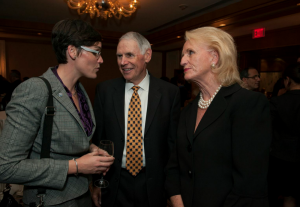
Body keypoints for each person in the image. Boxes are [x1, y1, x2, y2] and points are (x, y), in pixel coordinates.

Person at [0, 19, 114, 207]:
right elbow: (5, 167)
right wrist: (76, 166)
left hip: (83, 195)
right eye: (96, 52)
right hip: (51, 201)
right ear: (72, 51)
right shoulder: (35, 89)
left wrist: (91, 148)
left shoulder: (80, 91)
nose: (101, 59)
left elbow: (70, 136)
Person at [165, 27, 272, 207]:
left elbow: (249, 181)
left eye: (190, 53)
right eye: (183, 54)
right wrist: (178, 202)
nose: (182, 61)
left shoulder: (248, 103)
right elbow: (174, 165)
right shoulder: (188, 110)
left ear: (214, 57)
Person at [92, 32, 181, 207]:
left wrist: (172, 189)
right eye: (119, 56)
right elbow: (97, 140)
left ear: (147, 55)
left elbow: (173, 146)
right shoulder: (105, 91)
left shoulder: (169, 93)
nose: (122, 62)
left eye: (129, 55)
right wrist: (96, 182)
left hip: (154, 184)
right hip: (114, 183)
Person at [268, 63, 300, 207]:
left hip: (281, 159)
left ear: (287, 80)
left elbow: (267, 129)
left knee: (285, 197)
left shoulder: (277, 102)